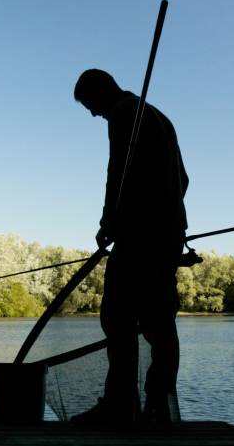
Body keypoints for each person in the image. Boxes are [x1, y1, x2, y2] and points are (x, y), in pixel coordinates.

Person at [70, 68, 189, 427]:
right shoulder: (159, 117)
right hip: (167, 234)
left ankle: (120, 405)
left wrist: (111, 222)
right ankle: (159, 406)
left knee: (118, 318)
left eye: (90, 104)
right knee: (160, 323)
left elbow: (118, 174)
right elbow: (182, 179)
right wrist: (168, 220)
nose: (93, 113)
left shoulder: (124, 114)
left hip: (140, 236)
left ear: (100, 92)